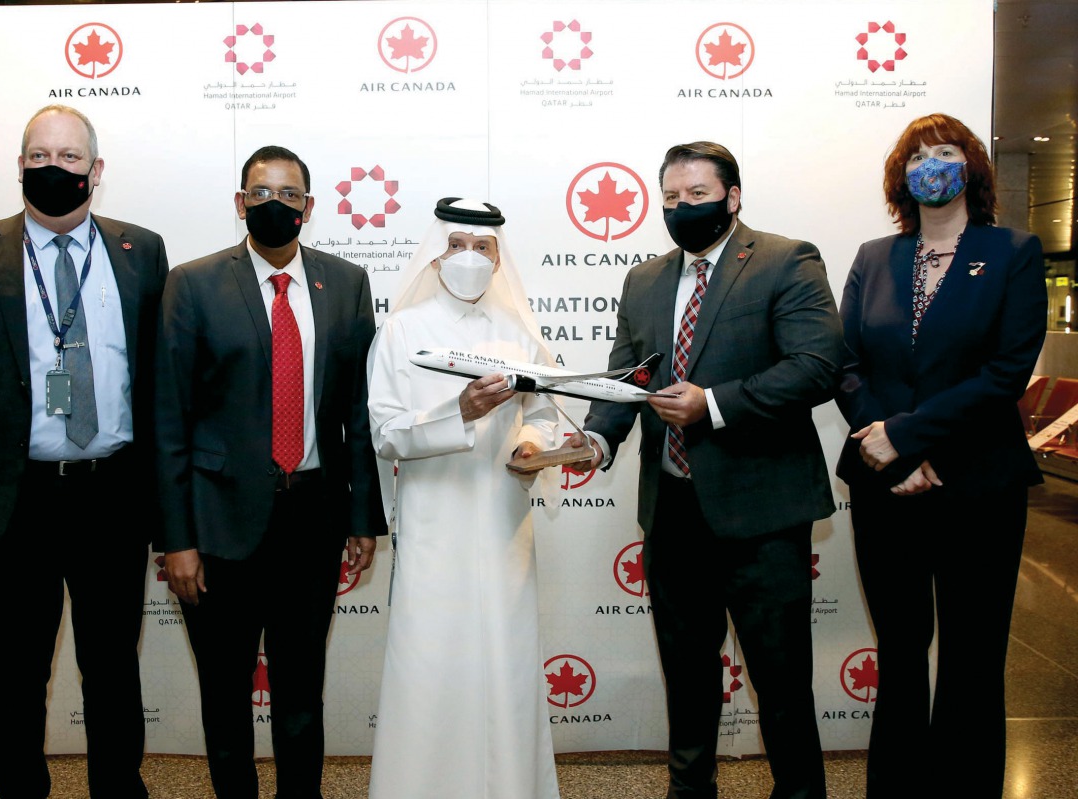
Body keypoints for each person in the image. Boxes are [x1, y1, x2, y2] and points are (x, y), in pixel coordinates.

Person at [567, 142, 844, 799]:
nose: (682, 208)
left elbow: (817, 364)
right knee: (688, 686)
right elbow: (627, 378)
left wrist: (714, 404)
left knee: (780, 686)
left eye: (697, 195)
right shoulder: (645, 279)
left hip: (764, 518)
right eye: (670, 198)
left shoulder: (785, 260)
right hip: (674, 514)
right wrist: (589, 443)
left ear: (733, 196)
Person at [0, 104, 168, 798]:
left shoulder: (141, 252)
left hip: (112, 494)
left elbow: (158, 389)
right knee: (18, 671)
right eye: (39, 156)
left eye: (69, 157)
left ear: (96, 171)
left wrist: (171, 513)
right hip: (11, 501)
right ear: (20, 164)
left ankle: (119, 788)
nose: (54, 168)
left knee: (113, 667)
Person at [155, 145, 385, 799]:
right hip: (217, 526)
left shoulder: (345, 283)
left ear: (310, 208)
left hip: (312, 518)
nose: (274, 205)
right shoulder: (193, 283)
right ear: (239, 203)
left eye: (289, 195)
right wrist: (175, 538)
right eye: (261, 193)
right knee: (225, 695)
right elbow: (170, 419)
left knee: (300, 692)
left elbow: (357, 413)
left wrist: (363, 516)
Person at [835, 114, 1047, 798]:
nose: (933, 163)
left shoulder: (1013, 250)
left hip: (979, 483)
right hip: (884, 484)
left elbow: (1007, 370)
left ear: (971, 167)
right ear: (902, 175)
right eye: (918, 155)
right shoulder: (874, 257)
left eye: (947, 151)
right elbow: (845, 363)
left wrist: (911, 435)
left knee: (972, 657)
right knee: (900, 655)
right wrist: (889, 448)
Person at [367, 198, 561, 799]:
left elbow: (547, 413)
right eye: (458, 247)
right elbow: (387, 433)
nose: (470, 260)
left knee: (507, 662)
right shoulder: (402, 329)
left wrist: (531, 442)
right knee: (429, 661)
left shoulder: (519, 334)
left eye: (483, 249)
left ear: (500, 258)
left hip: (505, 521)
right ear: (437, 255)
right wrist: (459, 411)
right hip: (434, 522)